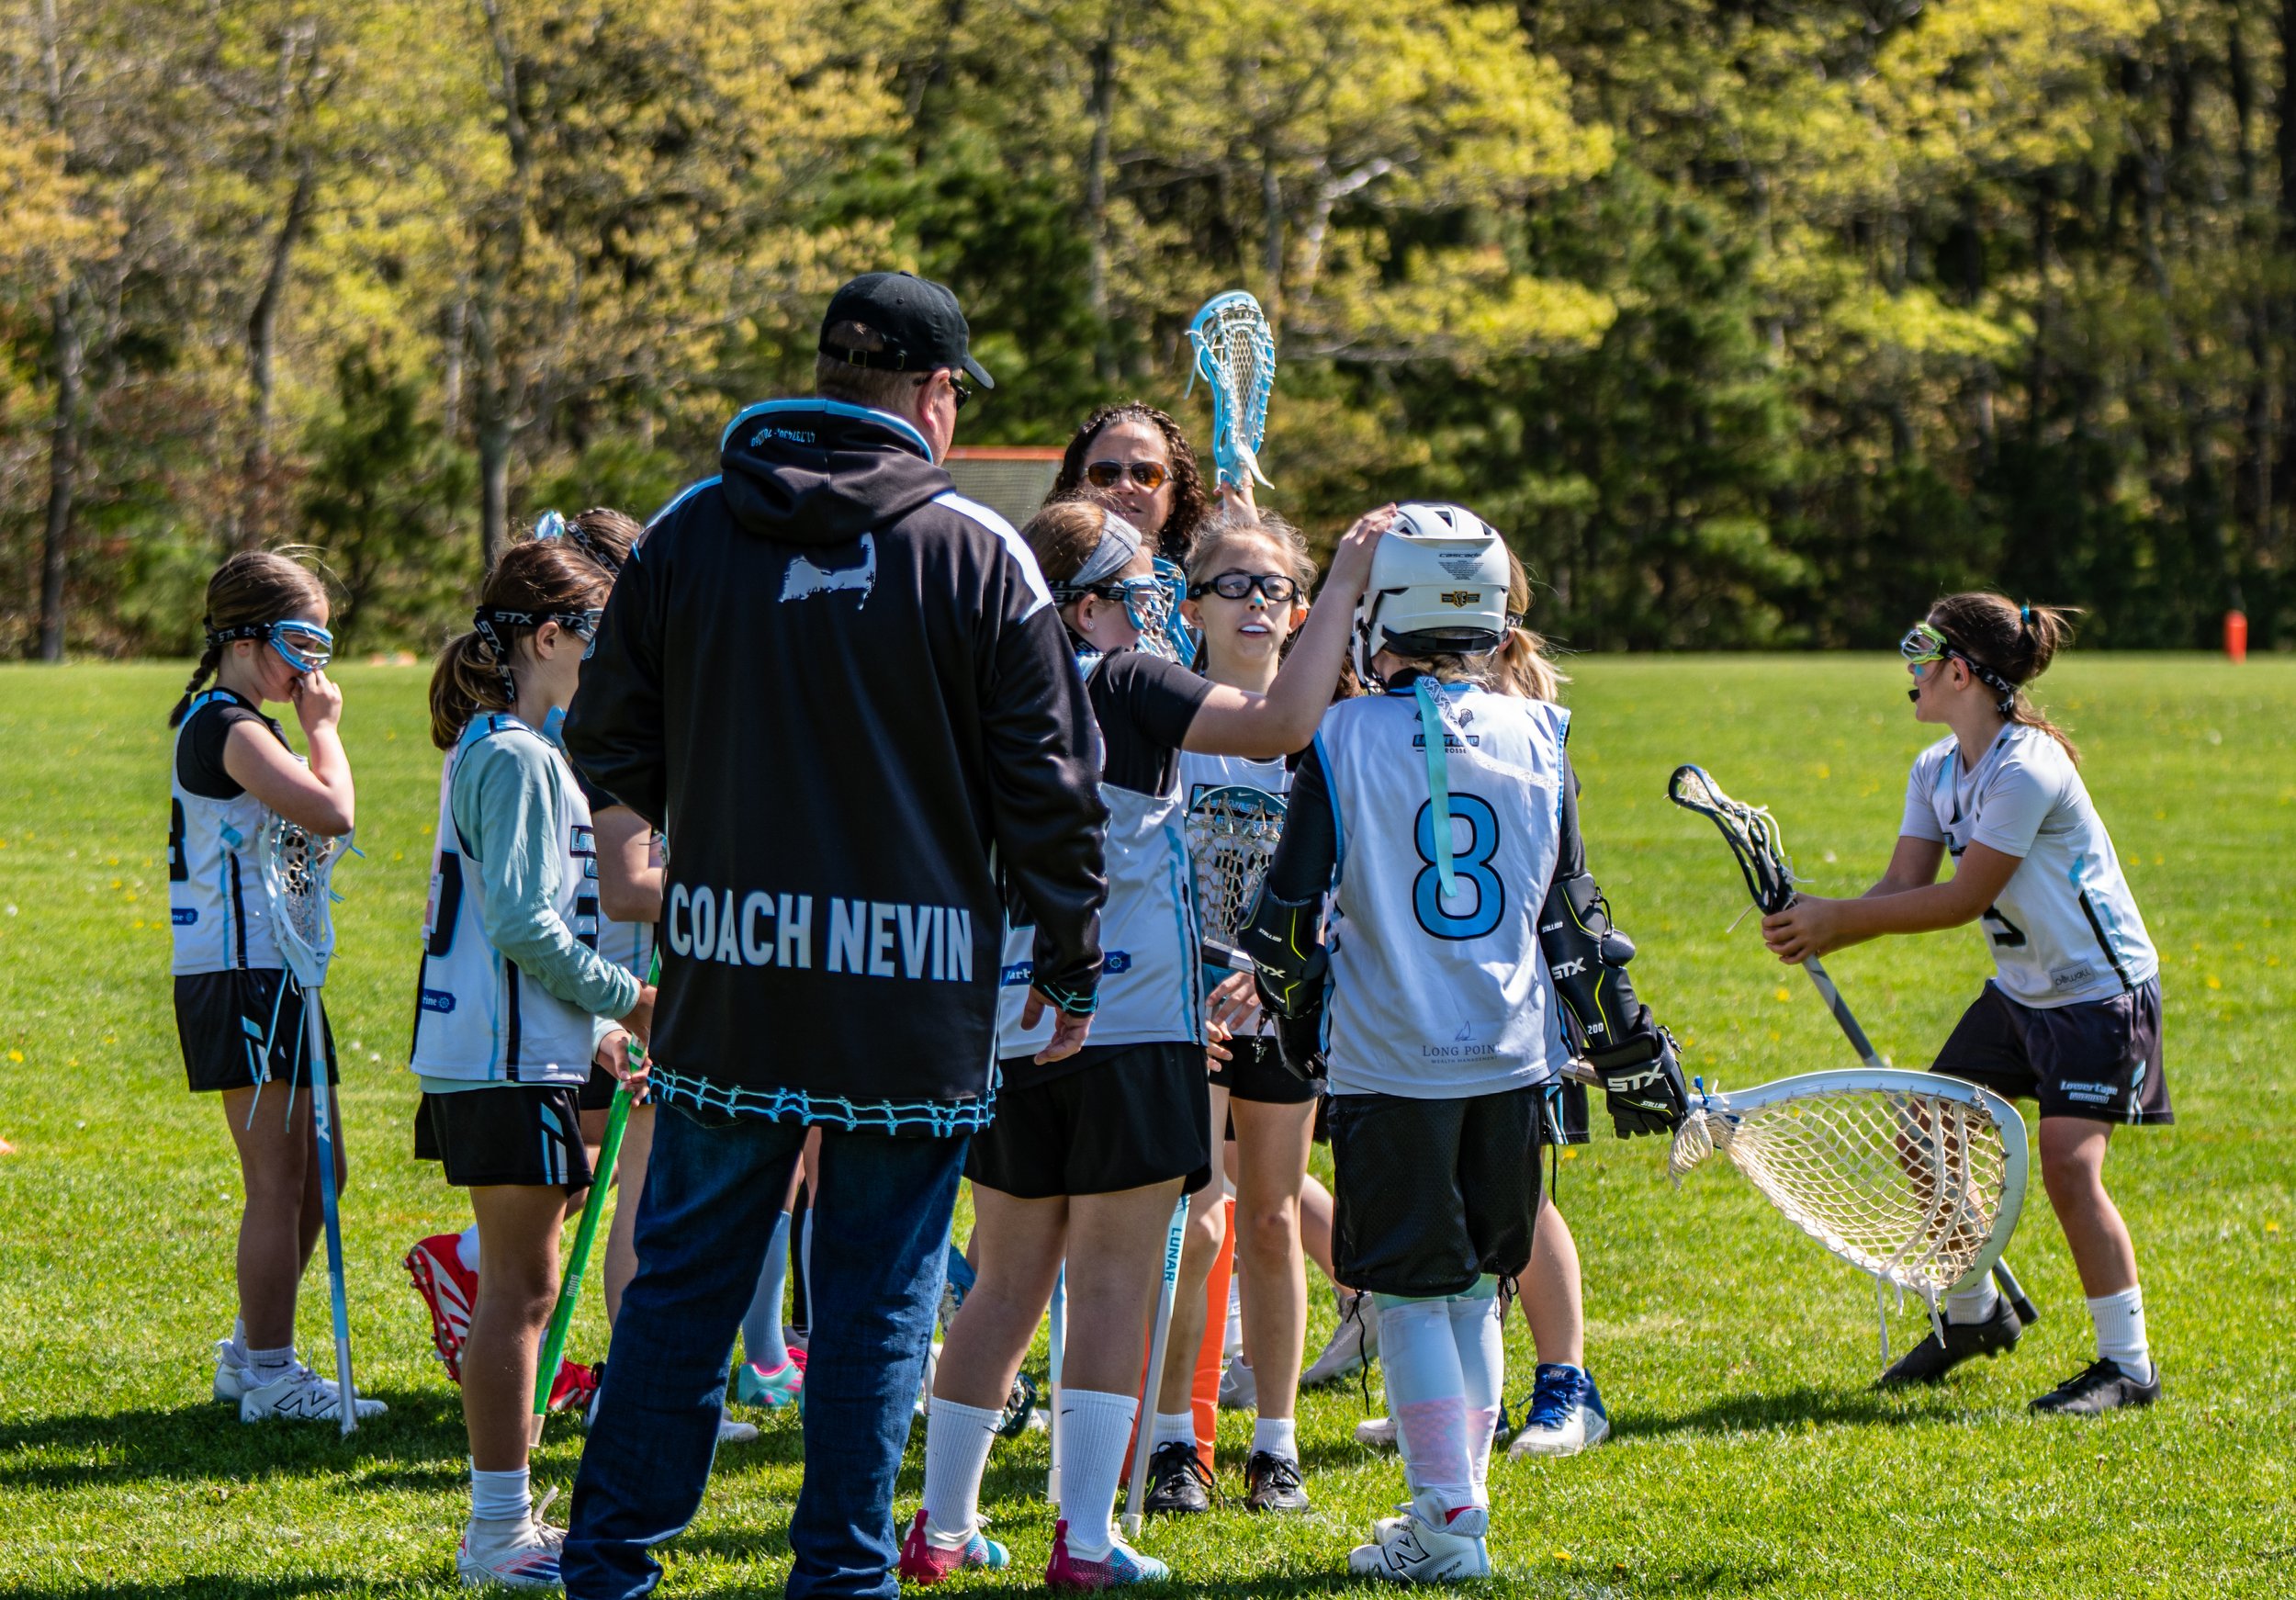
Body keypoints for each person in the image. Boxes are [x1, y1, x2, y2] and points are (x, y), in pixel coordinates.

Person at [558, 270, 1110, 1600]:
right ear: (934, 398)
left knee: (682, 1291)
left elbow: (602, 732)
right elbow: (1053, 789)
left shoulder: (690, 530)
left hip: (731, 980)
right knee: (874, 1311)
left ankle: (609, 1567)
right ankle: (844, 1579)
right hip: (910, 996)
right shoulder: (980, 553)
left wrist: (651, 842)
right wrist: (1072, 959)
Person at [901, 497, 1386, 1590]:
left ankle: (939, 1525)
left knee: (1005, 1280)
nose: (1156, 608)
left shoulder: (979, 688)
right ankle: (1080, 1539)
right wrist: (1343, 584)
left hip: (1011, 1026)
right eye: (1137, 590)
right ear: (1083, 605)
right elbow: (1280, 727)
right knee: (1115, 1274)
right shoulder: (1120, 678)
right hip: (1129, 1021)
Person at [1242, 505, 1687, 1582]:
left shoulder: (1341, 735)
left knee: (1406, 1288)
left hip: (1391, 1054)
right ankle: (1457, 1510)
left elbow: (1287, 919)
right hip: (1508, 1052)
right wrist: (1623, 1038)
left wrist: (1294, 1023)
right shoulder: (1541, 730)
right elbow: (1574, 917)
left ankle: (1446, 1522)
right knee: (1475, 1279)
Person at [1761, 594, 2167, 1415]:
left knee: (2068, 1168)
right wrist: (1822, 916)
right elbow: (1904, 886)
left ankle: (2128, 1367)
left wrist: (1838, 924)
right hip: (2021, 995)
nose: (1908, 669)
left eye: (1921, 651)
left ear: (1959, 671)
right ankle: (1977, 1312)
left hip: (2096, 995)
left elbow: (1961, 897)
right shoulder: (1937, 769)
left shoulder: (2029, 768)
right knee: (1924, 1132)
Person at [411, 537, 655, 1587]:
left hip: (527, 1052)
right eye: (603, 636)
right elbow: (519, 922)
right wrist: (628, 993)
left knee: (527, 1287)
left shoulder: (523, 749)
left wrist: (601, 1033)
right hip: (499, 1061)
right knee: (518, 1291)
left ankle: (502, 1522)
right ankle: (496, 1530)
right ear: (549, 637)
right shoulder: (512, 754)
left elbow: (534, 922)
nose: (615, 660)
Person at [1349, 551, 1615, 1459]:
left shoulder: (1508, 714)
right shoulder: (1422, 711)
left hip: (1493, 998)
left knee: (1511, 1215)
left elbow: (1560, 889)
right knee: (1462, 1235)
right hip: (1456, 996)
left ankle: (1562, 1379)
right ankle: (1464, 1413)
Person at [1138, 506, 1326, 1518]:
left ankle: (1276, 1444)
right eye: (1234, 585)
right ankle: (1176, 1439)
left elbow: (1344, 885)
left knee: (1271, 1216)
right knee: (1196, 1224)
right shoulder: (1173, 719)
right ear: (1191, 603)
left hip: (1278, 1006)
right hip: (1184, 1002)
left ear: (1300, 609)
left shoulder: (1321, 734)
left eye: (1275, 587)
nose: (1256, 603)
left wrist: (1282, 963)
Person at [171, 549, 382, 1426]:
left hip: (278, 968)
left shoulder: (246, 722)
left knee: (317, 1175)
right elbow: (335, 812)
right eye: (303, 641)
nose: (314, 667)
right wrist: (328, 728)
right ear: (248, 640)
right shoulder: (229, 726)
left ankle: (254, 1350)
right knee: (279, 1177)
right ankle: (270, 1370)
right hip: (240, 973)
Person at [1048, 402, 1216, 565]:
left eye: (1146, 474)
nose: (1125, 487)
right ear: (1078, 488)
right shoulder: (1040, 568)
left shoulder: (1207, 575)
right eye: (1106, 473)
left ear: (1173, 497)